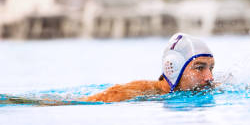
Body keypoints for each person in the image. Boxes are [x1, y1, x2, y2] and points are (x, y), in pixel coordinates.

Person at [84, 33, 215, 103]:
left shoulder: (211, 88)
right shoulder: (137, 91)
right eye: (199, 68)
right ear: (174, 68)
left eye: (211, 68)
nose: (210, 77)